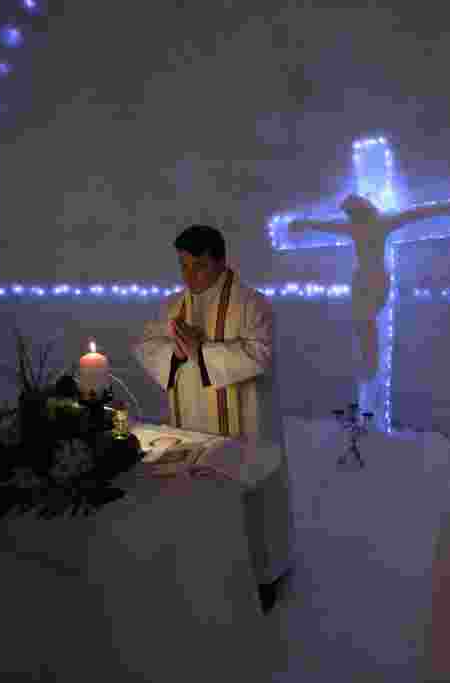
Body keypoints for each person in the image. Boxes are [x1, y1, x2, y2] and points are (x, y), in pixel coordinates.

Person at [132, 224, 290, 613]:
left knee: (252, 503)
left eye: (199, 265)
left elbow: (260, 355)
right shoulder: (174, 306)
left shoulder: (253, 304)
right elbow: (146, 345)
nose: (190, 276)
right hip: (192, 422)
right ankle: (203, 571)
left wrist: (203, 352)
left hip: (243, 426)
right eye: (183, 266)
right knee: (198, 501)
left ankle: (262, 578)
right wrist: (177, 354)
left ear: (221, 261)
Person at [289, 194, 450, 380]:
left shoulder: (374, 223)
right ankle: (369, 366)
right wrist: (301, 224)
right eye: (350, 214)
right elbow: (416, 214)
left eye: (351, 213)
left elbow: (416, 214)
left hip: (373, 281)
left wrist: (448, 207)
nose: (351, 217)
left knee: (364, 323)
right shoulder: (366, 225)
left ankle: (370, 366)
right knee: (363, 323)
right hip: (367, 281)